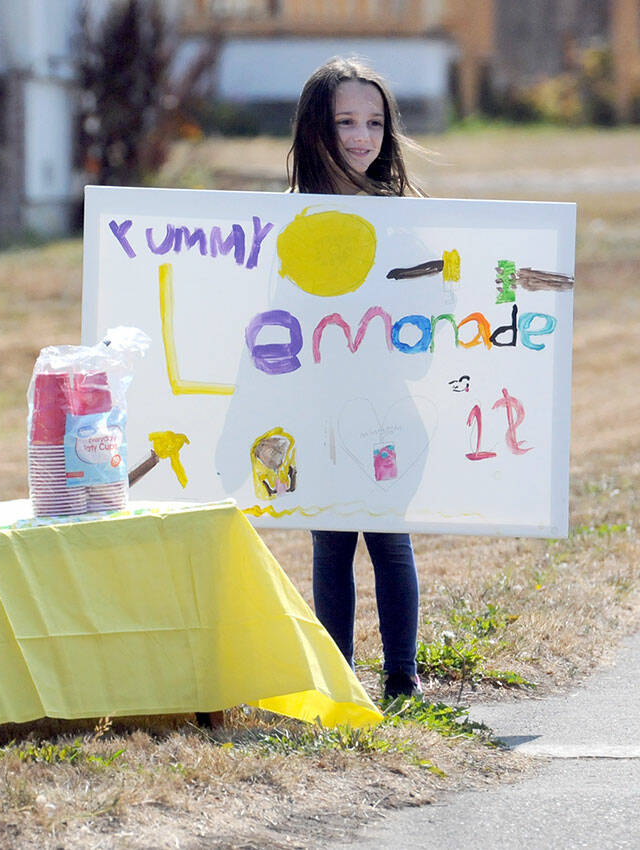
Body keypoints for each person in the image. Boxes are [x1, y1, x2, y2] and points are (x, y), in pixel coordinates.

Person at [287, 56, 424, 702]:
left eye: (374, 122)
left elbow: (425, 311)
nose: (362, 136)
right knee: (331, 541)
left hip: (384, 409)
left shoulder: (397, 216)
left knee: (389, 537)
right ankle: (338, 680)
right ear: (317, 128)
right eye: (346, 121)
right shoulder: (290, 220)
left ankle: (401, 676)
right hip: (316, 410)